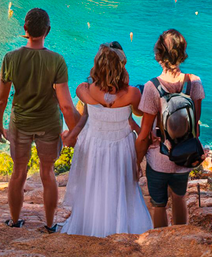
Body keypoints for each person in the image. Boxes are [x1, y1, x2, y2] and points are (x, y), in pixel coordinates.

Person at [0, 8, 79, 232]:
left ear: (25, 29)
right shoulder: (57, 61)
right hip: (49, 125)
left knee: (18, 172)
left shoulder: (10, 58)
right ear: (47, 31)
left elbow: (0, 100)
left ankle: (14, 221)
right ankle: (50, 225)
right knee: (47, 173)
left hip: (20, 123)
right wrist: (76, 132)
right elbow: (67, 105)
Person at [60, 42, 153, 236]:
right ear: (121, 67)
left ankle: (92, 227)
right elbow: (137, 112)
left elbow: (92, 106)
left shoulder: (84, 90)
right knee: (121, 188)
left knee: (95, 186)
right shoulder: (133, 94)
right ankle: (120, 228)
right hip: (121, 147)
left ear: (98, 66)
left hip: (94, 145)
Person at [135, 29, 205, 228]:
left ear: (158, 55)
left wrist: (136, 160)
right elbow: (196, 124)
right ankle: (181, 241)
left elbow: (144, 132)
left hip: (159, 159)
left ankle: (161, 245)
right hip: (185, 156)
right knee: (180, 198)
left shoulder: (151, 87)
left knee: (159, 205)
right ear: (182, 53)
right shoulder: (194, 82)